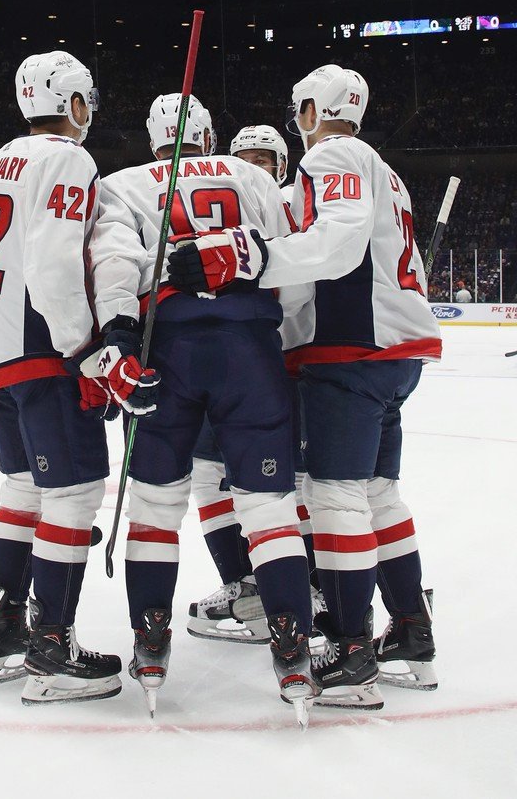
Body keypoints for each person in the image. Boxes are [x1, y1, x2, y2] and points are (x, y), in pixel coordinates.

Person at [169, 65, 442, 710]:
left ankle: (352, 652)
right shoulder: (382, 169)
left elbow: (338, 247)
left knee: (336, 499)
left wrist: (244, 256)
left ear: (314, 111)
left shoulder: (337, 155)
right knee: (378, 495)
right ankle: (409, 627)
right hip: (387, 356)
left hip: (350, 354)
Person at [90, 93, 316, 723]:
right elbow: (294, 281)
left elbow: (114, 266)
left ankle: (151, 640)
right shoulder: (253, 176)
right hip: (251, 350)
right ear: (212, 133)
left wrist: (116, 342)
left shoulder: (123, 184)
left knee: (157, 507)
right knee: (268, 508)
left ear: (152, 136)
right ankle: (292, 643)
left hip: (169, 352)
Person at [0, 50, 123, 705]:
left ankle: (5, 632)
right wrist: (86, 350)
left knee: (21, 488)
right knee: (74, 494)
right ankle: (52, 645)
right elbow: (51, 262)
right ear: (72, 103)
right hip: (41, 344)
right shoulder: (68, 159)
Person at [187, 122, 305, 645]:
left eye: (265, 159)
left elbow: (299, 287)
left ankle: (304, 586)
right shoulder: (228, 204)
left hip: (281, 362)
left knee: (287, 484)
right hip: (227, 361)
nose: (256, 167)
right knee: (209, 475)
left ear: (282, 165)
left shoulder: (290, 208)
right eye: (246, 158)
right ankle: (243, 583)